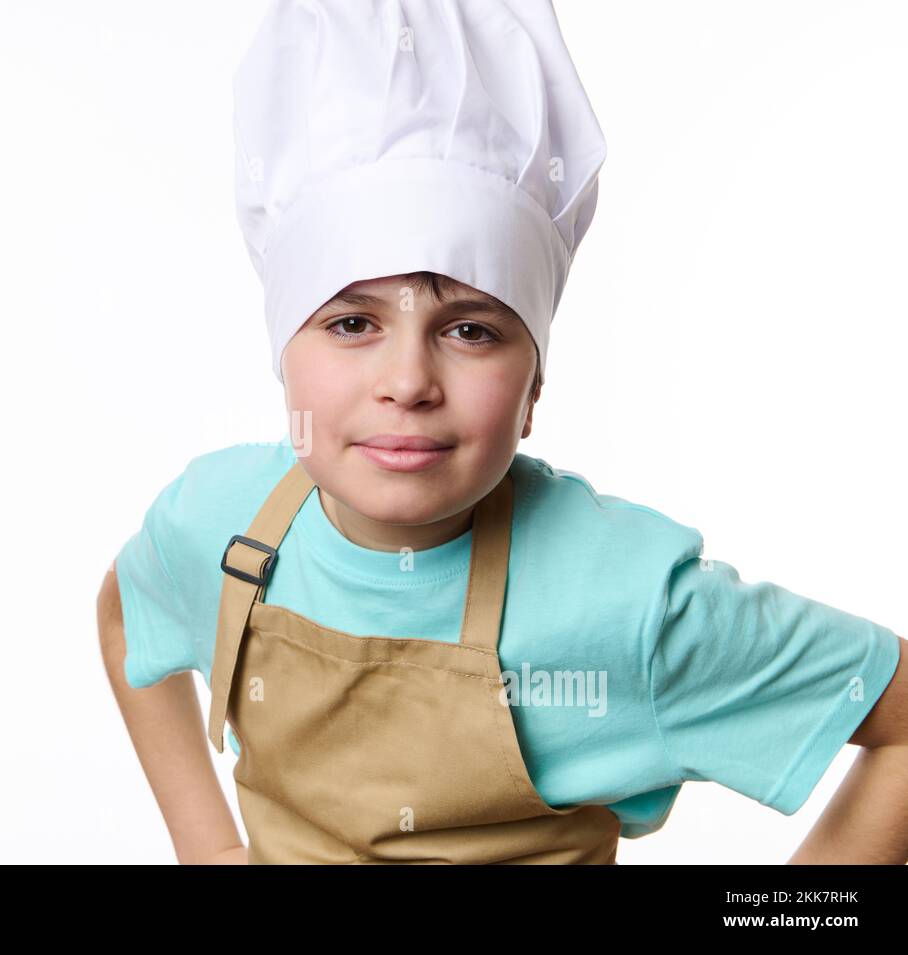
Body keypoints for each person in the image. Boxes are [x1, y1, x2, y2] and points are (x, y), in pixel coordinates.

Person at [97, 0, 907, 864]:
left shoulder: (631, 605)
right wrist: (207, 849)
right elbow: (123, 616)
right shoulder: (216, 518)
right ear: (281, 353)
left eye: (471, 329)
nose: (408, 382)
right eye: (350, 324)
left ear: (533, 385)